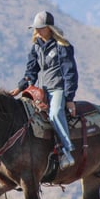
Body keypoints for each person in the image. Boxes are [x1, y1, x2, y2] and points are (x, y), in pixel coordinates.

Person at [10, 11, 79, 170]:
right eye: (36, 28)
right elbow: (31, 72)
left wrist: (69, 99)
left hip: (58, 90)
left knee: (54, 114)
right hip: (41, 91)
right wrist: (20, 88)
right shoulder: (36, 47)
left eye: (41, 28)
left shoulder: (62, 46)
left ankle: (67, 151)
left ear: (50, 28)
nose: (38, 31)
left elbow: (70, 73)